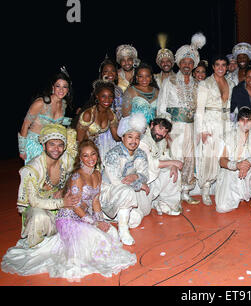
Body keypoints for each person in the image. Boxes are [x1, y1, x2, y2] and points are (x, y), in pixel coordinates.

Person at [2, 140, 137, 281]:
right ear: (80, 158)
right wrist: (95, 224)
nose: (90, 158)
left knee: (112, 234)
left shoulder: (97, 174)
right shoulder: (77, 177)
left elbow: (95, 200)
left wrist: (101, 221)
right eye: (85, 156)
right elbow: (75, 206)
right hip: (69, 220)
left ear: (97, 155)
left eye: (93, 154)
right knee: (99, 242)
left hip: (85, 218)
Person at [157, 33, 206, 205]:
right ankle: (172, 195)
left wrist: (199, 131)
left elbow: (200, 110)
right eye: (184, 62)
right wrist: (164, 131)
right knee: (175, 158)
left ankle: (185, 190)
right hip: (174, 128)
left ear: (194, 65)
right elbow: (162, 108)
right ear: (179, 63)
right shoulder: (169, 82)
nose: (187, 65)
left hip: (191, 128)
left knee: (189, 160)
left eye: (190, 62)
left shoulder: (197, 84)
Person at [16, 124, 79, 248]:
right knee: (39, 216)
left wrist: (64, 189)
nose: (56, 149)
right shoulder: (32, 169)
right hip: (39, 208)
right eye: (52, 144)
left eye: (60, 145)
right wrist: (62, 202)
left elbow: (77, 175)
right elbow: (34, 202)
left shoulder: (66, 159)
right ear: (44, 146)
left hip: (60, 203)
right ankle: (36, 245)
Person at [100, 113, 150, 246]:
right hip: (109, 191)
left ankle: (111, 217)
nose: (134, 141)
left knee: (136, 219)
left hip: (126, 191)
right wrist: (138, 185)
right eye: (130, 137)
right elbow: (116, 181)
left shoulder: (140, 153)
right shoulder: (113, 154)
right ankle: (123, 231)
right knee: (127, 192)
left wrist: (136, 176)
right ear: (122, 137)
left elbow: (145, 174)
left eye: (137, 137)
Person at [215, 107, 251, 216]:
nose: (245, 123)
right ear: (238, 121)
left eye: (248, 120)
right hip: (231, 174)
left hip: (249, 172)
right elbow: (222, 161)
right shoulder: (227, 137)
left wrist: (249, 162)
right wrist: (237, 165)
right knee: (221, 208)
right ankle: (236, 195)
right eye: (242, 120)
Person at [195, 55, 234, 205]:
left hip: (225, 123)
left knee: (222, 154)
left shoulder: (230, 82)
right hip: (210, 123)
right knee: (209, 157)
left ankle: (218, 187)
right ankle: (205, 189)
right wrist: (202, 130)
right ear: (213, 66)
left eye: (223, 65)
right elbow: (199, 109)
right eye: (217, 64)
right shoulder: (205, 84)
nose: (220, 68)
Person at [18, 68, 73, 164]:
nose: (61, 90)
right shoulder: (41, 103)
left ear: (68, 90)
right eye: (58, 86)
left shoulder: (64, 104)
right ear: (53, 87)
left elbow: (57, 121)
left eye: (64, 87)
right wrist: (22, 150)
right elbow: (25, 125)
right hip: (34, 145)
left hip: (50, 146)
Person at [139, 118, 184, 216]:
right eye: (160, 128)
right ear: (151, 125)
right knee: (144, 212)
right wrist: (173, 162)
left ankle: (166, 203)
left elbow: (165, 157)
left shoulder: (161, 141)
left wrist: (173, 165)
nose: (161, 133)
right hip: (142, 180)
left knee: (173, 172)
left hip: (154, 177)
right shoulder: (142, 140)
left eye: (165, 131)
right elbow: (149, 163)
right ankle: (154, 202)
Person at [75, 80, 120, 163]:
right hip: (81, 149)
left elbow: (116, 137)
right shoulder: (88, 114)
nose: (107, 99)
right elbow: (79, 141)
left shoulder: (111, 114)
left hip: (95, 147)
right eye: (103, 96)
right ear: (97, 96)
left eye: (110, 96)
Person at [99, 55, 125, 120]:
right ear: (102, 74)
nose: (110, 74)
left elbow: (121, 109)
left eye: (112, 71)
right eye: (106, 71)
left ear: (116, 74)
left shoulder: (119, 90)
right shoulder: (97, 89)